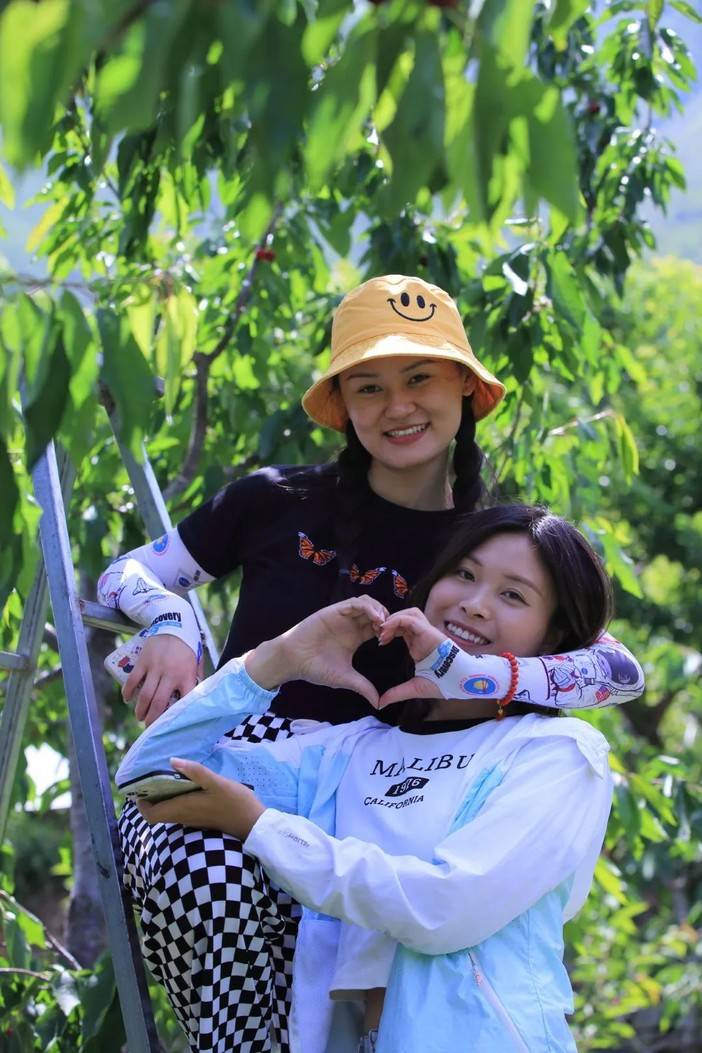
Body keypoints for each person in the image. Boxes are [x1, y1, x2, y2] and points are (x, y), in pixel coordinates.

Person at [100, 275, 643, 1051]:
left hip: (370, 801)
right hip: (231, 768)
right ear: (342, 403)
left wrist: (478, 674)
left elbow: (617, 669)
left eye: (420, 378)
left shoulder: (483, 550)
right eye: (370, 386)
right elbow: (128, 571)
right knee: (212, 870)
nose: (397, 406)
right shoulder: (273, 500)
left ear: (465, 388)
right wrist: (171, 621)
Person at [117, 505, 616, 1053]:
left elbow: (444, 909)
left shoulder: (557, 753)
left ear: (554, 636)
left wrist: (261, 828)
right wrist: (278, 659)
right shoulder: (355, 751)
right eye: (464, 574)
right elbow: (150, 773)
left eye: (513, 595)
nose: (475, 603)